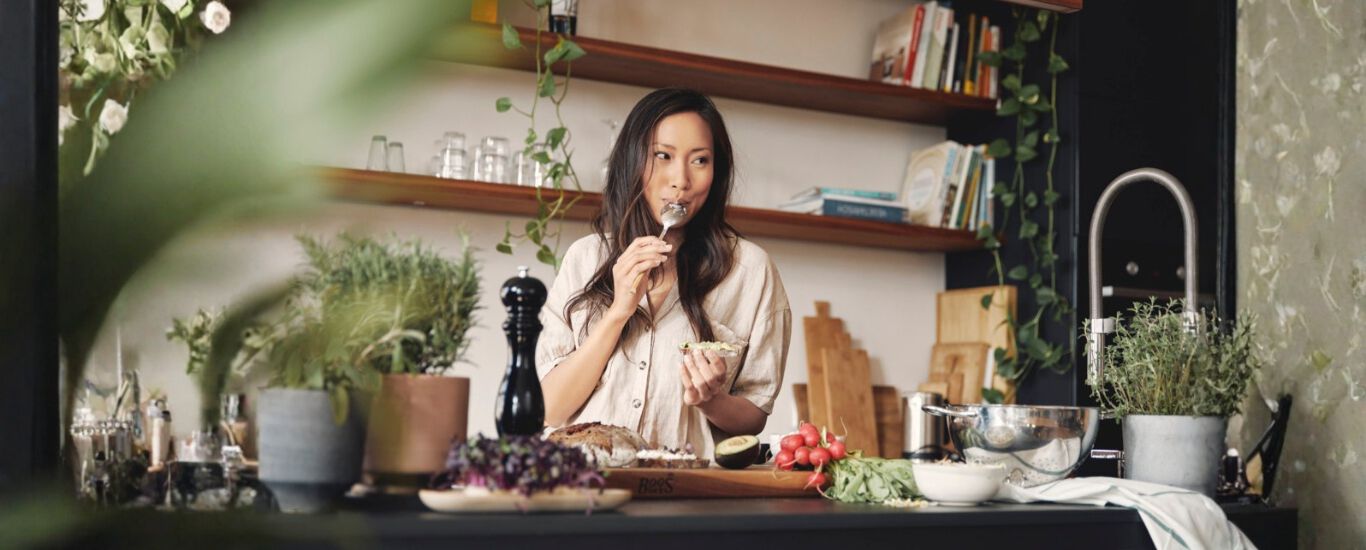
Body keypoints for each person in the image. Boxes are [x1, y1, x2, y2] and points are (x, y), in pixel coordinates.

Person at [536, 88, 791, 456]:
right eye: (662, 156)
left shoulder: (751, 271)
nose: (681, 180)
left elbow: (754, 415)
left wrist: (711, 399)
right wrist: (619, 311)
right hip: (585, 485)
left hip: (690, 493)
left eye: (700, 160)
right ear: (632, 161)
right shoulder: (585, 259)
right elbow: (552, 408)